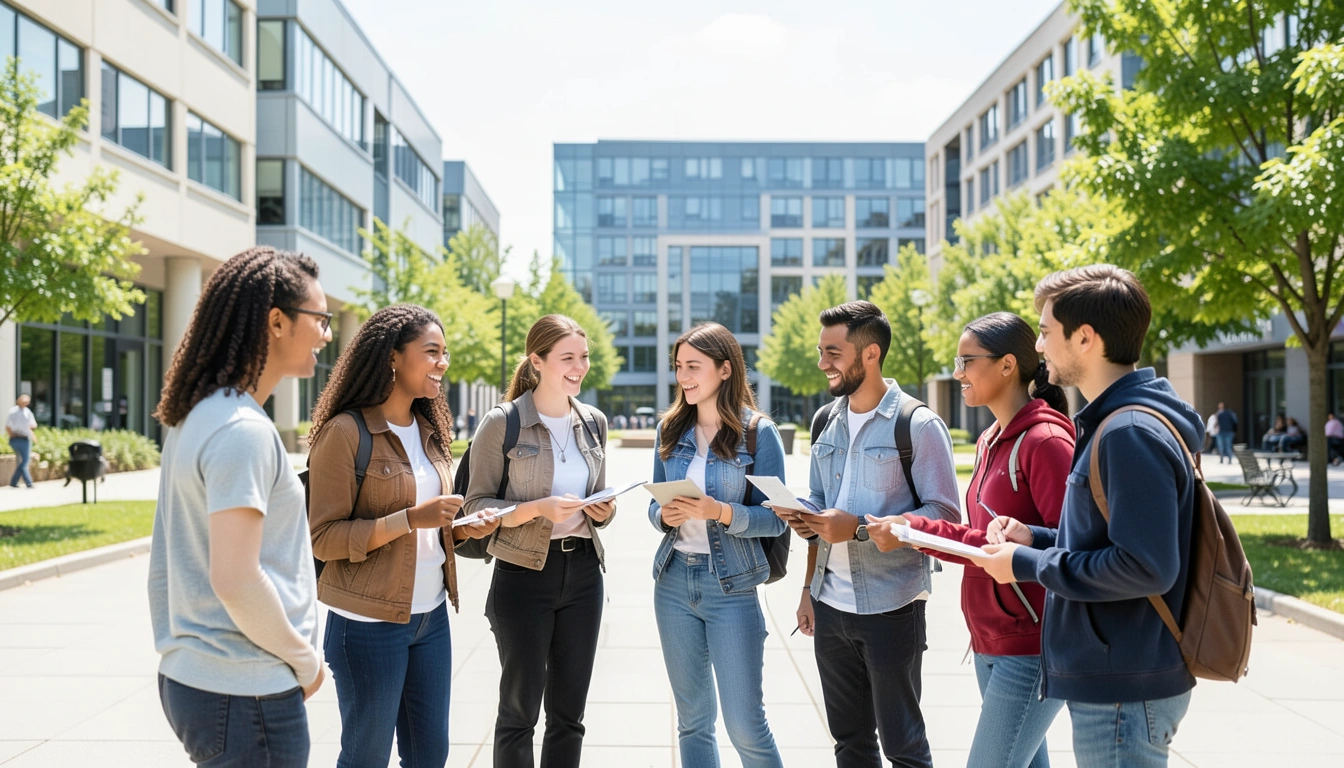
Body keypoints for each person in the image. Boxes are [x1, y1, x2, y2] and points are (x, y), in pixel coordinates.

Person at [973, 265, 1201, 768]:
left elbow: (1145, 565)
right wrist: (1034, 537)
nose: (1038, 344)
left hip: (1124, 683)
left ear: (1085, 339)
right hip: (1118, 674)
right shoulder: (1117, 423)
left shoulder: (1128, 432)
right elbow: (1109, 538)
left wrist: (1027, 565)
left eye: (1046, 331)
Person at [147, 247, 330, 767]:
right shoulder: (243, 431)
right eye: (320, 319)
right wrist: (306, 662)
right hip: (245, 688)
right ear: (276, 321)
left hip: (200, 680)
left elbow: (166, 569)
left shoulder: (198, 417)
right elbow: (236, 578)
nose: (326, 334)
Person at [866, 312, 1073, 768]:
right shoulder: (989, 441)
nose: (957, 372)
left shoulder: (1046, 441)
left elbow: (1076, 546)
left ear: (1007, 366)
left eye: (967, 360)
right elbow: (979, 541)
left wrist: (916, 532)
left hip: (1033, 644)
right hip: (988, 639)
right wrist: (909, 530)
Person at [307, 305, 499, 768]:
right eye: (432, 352)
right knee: (366, 757)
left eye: (445, 353)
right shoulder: (345, 433)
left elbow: (434, 526)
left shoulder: (432, 433)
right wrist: (411, 518)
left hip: (430, 618)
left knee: (430, 755)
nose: (443, 363)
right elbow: (324, 539)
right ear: (393, 357)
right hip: (367, 625)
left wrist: (463, 528)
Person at [779, 300, 961, 768]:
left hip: (891, 607)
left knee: (903, 748)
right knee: (850, 744)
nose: (823, 364)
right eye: (821, 352)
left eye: (833, 353)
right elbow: (821, 507)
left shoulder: (917, 425)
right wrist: (806, 536)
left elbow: (943, 517)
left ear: (870, 354)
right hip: (829, 605)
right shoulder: (825, 421)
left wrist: (857, 528)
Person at [463, 314, 616, 768]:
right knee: (519, 712)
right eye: (567, 357)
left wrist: (604, 513)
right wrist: (537, 509)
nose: (579, 367)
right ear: (537, 361)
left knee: (569, 715)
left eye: (583, 357)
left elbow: (600, 495)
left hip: (585, 573)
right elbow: (474, 507)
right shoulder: (502, 423)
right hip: (523, 574)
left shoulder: (594, 422)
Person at [648, 322, 788, 768]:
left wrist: (721, 512)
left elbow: (778, 520)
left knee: (746, 725)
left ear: (725, 370)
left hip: (732, 589)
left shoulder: (758, 434)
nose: (683, 376)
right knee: (693, 722)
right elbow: (655, 507)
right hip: (672, 584)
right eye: (678, 367)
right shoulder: (669, 429)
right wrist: (662, 514)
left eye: (694, 366)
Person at [5, 394, 36, 488]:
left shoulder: (28, 412)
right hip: (17, 438)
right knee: (25, 461)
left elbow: (33, 425)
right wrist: (12, 435)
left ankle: (14, 482)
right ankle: (29, 483)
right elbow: (7, 426)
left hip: (25, 438)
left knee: (21, 462)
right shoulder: (13, 411)